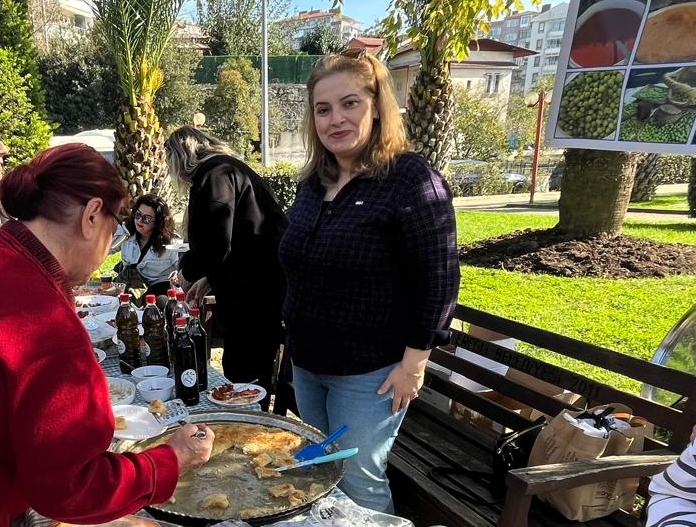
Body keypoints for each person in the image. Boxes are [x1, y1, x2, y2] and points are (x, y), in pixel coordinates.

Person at [277, 48, 460, 513]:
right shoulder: (313, 183)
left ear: (377, 106)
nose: (335, 119)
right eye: (323, 109)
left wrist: (413, 365)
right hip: (308, 363)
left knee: (357, 479)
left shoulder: (410, 179)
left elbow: (439, 279)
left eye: (350, 103)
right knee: (318, 470)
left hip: (370, 373)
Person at [0, 144, 215, 527]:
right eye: (114, 228)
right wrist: (172, 459)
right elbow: (69, 487)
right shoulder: (44, 321)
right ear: (92, 215)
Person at [164, 126, 288, 411]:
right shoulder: (226, 169)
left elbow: (215, 241)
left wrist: (187, 272)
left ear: (178, 157)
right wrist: (209, 278)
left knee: (244, 370)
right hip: (260, 284)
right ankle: (248, 414)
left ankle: (246, 421)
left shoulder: (214, 174)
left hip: (256, 292)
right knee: (245, 365)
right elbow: (236, 239)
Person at [116, 193, 180, 305]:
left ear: (157, 222)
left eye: (146, 218)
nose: (140, 220)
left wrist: (177, 274)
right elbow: (103, 247)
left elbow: (182, 265)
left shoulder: (170, 242)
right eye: (138, 215)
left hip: (159, 286)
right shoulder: (125, 232)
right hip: (132, 284)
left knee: (161, 302)